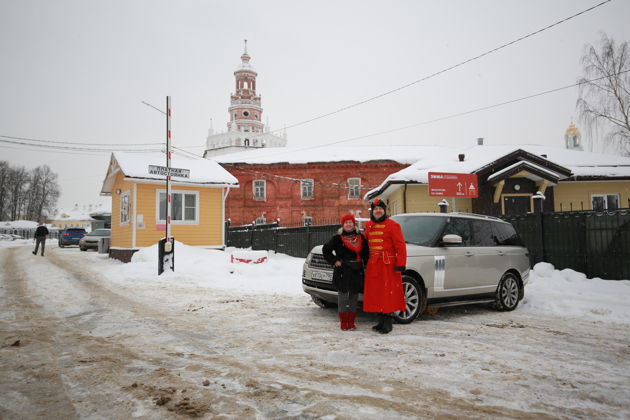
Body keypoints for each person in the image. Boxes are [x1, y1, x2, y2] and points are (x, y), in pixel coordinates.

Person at [363, 199, 407, 334]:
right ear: (372, 211)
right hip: (373, 264)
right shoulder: (369, 225)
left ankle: (388, 322)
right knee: (376, 292)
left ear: (384, 211)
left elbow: (400, 246)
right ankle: (380, 321)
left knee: (388, 292)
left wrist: (400, 264)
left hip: (388, 264)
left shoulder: (393, 225)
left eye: (380, 209)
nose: (378, 211)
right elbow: (364, 243)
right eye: (375, 209)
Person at [322, 214, 369, 331]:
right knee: (343, 297)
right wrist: (334, 260)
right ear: (343, 225)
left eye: (350, 222)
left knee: (353, 296)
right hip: (343, 270)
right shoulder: (337, 238)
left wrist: (366, 264)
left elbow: (366, 253)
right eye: (346, 222)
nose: (349, 224)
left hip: (356, 270)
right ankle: (343, 322)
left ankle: (351, 322)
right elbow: (326, 250)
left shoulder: (361, 237)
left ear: (354, 224)